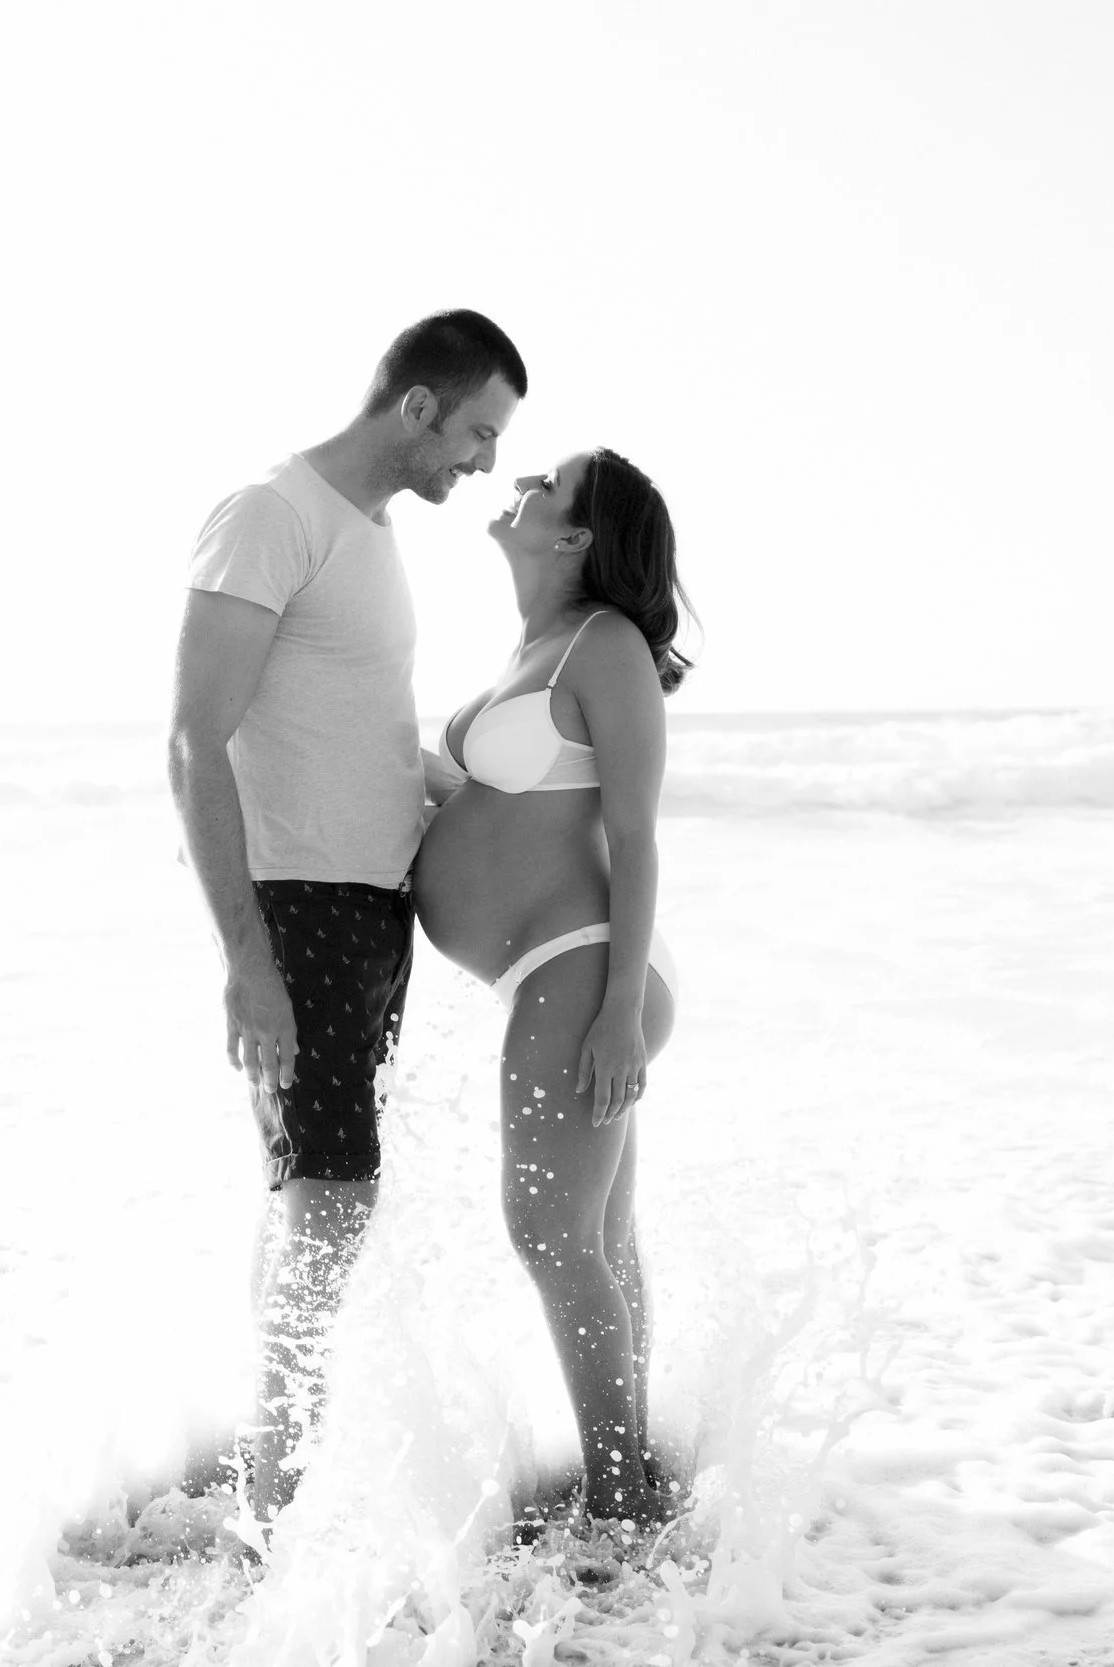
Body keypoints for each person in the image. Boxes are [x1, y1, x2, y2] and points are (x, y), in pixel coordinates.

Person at [168, 310, 527, 1523]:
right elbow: (193, 739)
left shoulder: (371, 532)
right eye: (476, 431)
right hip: (299, 904)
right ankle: (273, 1508)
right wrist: (246, 960)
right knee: (331, 1195)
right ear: (417, 406)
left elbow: (353, 729)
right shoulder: (272, 516)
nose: (483, 461)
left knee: (306, 1195)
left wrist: (485, 797)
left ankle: (260, 1475)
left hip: (370, 907)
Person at [413, 447, 693, 1527]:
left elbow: (636, 834)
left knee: (549, 1231)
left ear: (575, 536)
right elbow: (494, 802)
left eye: (548, 482)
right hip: (557, 969)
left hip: (586, 963)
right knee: (596, 1238)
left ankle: (618, 1498)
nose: (521, 482)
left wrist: (617, 1012)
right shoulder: (534, 648)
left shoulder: (603, 643)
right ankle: (632, 1474)